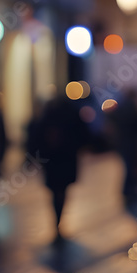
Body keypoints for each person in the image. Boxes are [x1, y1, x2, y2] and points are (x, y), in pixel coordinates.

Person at [27, 92, 89, 242]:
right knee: (63, 191)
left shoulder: (46, 117)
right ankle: (59, 221)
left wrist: (32, 157)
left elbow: (35, 138)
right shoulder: (71, 115)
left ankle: (56, 221)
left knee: (55, 192)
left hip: (52, 161)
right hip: (67, 160)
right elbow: (84, 136)